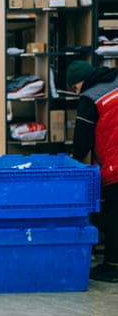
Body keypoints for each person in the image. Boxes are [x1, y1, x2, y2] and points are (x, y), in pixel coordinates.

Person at [66, 60, 118, 283]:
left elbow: (82, 139)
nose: (76, 92)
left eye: (75, 88)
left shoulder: (90, 98)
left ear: (80, 83)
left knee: (114, 216)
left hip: (115, 166)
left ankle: (112, 266)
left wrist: (73, 161)